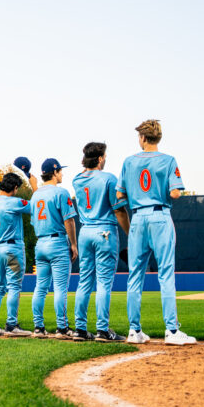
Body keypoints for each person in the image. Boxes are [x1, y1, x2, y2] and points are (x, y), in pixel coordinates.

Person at [117, 120, 196, 346]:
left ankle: (134, 331)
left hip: (138, 218)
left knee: (135, 276)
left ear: (142, 138)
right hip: (160, 216)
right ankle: (171, 330)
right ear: (158, 138)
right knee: (166, 274)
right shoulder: (168, 160)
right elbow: (175, 193)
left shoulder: (129, 162)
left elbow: (120, 196)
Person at [72, 143, 130, 342]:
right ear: (99, 159)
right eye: (104, 156)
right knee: (104, 283)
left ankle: (80, 329)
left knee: (84, 281)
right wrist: (130, 234)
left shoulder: (77, 180)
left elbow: (84, 173)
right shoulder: (108, 178)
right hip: (105, 230)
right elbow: (119, 210)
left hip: (85, 232)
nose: (105, 159)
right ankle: (102, 330)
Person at [0, 172, 38, 337]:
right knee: (14, 286)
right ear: (14, 187)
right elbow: (37, 205)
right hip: (13, 247)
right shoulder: (15, 202)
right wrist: (34, 185)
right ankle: (11, 325)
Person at [30, 158, 78, 339]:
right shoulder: (61, 192)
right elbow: (69, 220)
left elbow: (34, 221)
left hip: (40, 242)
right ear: (55, 172)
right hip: (57, 242)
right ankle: (62, 328)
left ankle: (38, 327)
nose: (62, 174)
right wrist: (73, 244)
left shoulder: (35, 195)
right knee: (60, 288)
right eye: (60, 171)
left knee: (40, 287)